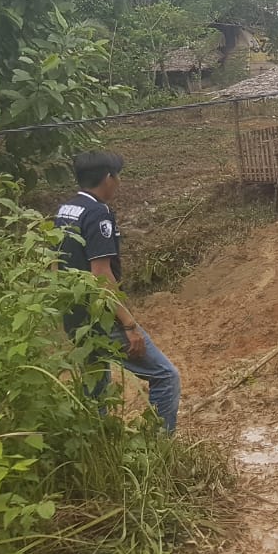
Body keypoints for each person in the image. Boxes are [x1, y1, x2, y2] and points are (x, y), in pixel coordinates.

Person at [55, 151, 181, 432]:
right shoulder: (99, 213)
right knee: (166, 376)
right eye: (118, 176)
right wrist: (128, 324)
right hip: (101, 315)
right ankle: (161, 450)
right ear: (108, 177)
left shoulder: (66, 210)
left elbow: (55, 263)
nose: (119, 182)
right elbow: (101, 273)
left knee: (96, 381)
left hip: (75, 314)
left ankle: (97, 449)